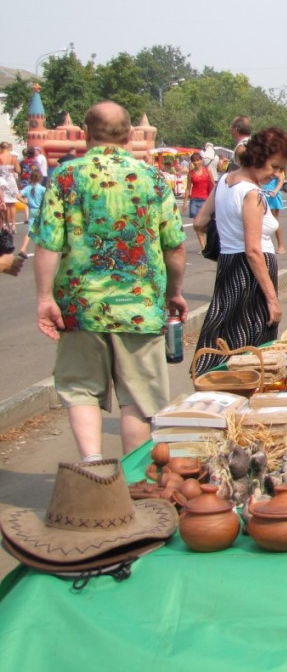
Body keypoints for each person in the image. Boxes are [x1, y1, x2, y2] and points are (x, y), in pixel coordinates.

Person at [32, 100, 187, 461]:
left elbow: (48, 244)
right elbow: (174, 248)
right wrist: (174, 292)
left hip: (81, 305)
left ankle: (93, 468)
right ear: (131, 135)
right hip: (141, 305)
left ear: (86, 134)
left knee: (81, 390)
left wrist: (44, 298)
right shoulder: (152, 178)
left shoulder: (66, 177)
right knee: (138, 397)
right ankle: (133, 479)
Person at [192, 127, 287, 375]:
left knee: (228, 338)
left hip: (228, 267)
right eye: (273, 166)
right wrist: (272, 299)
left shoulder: (223, 183)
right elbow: (252, 250)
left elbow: (199, 223)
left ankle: (222, 393)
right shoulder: (252, 194)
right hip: (250, 276)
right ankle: (244, 400)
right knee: (253, 351)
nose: (275, 174)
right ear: (258, 158)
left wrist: (228, 229)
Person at [184, 151, 214, 250]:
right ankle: (203, 247)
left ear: (201, 160)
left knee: (206, 224)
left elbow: (212, 185)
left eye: (198, 160)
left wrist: (214, 199)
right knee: (196, 224)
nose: (196, 163)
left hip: (206, 200)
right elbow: (188, 188)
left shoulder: (207, 171)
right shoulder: (191, 173)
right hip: (194, 200)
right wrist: (185, 202)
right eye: (194, 161)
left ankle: (210, 243)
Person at [262, 165, 286, 254]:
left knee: (274, 220)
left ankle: (281, 244)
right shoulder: (265, 166)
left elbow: (280, 181)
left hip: (273, 196)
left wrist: (275, 191)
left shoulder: (278, 168)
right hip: (263, 193)